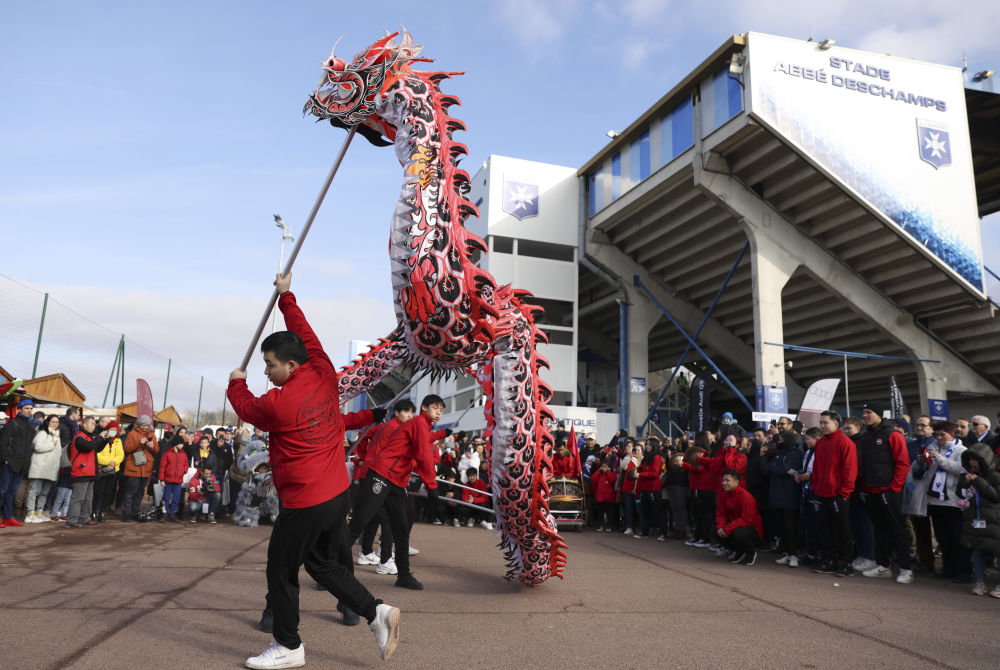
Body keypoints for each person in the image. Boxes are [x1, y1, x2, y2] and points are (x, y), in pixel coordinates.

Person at [228, 272, 399, 666]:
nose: (266, 372)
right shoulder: (323, 370)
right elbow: (303, 332)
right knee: (323, 565)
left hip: (305, 502)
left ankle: (288, 646)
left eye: (269, 365)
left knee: (281, 571)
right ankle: (377, 613)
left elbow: (246, 407)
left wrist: (236, 383)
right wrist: (287, 297)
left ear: (291, 365)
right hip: (335, 495)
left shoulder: (278, 404)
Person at [348, 394, 447, 591]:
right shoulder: (417, 423)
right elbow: (423, 454)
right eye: (435, 408)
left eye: (441, 410)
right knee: (359, 521)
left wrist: (443, 433)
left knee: (401, 527)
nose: (438, 413)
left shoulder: (421, 426)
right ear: (424, 408)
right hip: (381, 474)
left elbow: (425, 443)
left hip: (397, 481)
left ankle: (403, 575)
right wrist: (431, 486)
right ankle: (330, 569)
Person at [856, 402, 913, 584]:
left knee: (898, 530)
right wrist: (864, 487)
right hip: (871, 490)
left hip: (888, 491)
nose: (865, 415)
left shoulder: (893, 434)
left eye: (869, 412)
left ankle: (906, 569)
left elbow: (903, 464)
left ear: (879, 414)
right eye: (864, 412)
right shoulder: (866, 436)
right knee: (880, 530)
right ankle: (883, 566)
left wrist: (894, 488)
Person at [811, 411, 857, 576]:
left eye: (825, 422)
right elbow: (816, 468)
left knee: (843, 531)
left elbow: (850, 469)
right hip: (821, 493)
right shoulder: (820, 443)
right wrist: (815, 489)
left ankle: (846, 563)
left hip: (838, 495)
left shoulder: (845, 442)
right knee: (825, 530)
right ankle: (829, 561)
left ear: (836, 424)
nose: (822, 425)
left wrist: (844, 493)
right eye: (821, 422)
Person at [923, 421, 967, 580]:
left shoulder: (961, 450)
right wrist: (922, 461)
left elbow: (960, 470)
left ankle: (961, 571)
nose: (939, 438)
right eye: (937, 435)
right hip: (935, 500)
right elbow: (928, 472)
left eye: (943, 435)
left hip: (953, 502)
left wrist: (940, 458)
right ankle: (947, 569)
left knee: (956, 538)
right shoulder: (931, 448)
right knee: (942, 538)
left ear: (952, 435)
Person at [958, 443, 1000, 597]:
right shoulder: (966, 474)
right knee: (977, 549)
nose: (972, 463)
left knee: (998, 550)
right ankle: (980, 582)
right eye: (970, 459)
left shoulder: (995, 476)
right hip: (975, 519)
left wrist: (977, 481)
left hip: (993, 521)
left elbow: (996, 496)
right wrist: (964, 482)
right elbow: (960, 493)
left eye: (975, 459)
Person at [66, 416, 111, 528]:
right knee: (78, 498)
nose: (93, 426)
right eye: (92, 424)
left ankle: (85, 518)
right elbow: (88, 446)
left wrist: (105, 441)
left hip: (89, 471)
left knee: (88, 498)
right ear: (84, 425)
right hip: (81, 472)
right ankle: (72, 520)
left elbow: (96, 448)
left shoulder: (89, 437)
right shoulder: (79, 437)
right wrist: (100, 438)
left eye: (94, 424)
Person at [768, 430, 804, 567]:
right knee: (783, 527)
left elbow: (784, 470)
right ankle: (788, 553)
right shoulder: (780, 454)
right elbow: (770, 467)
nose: (779, 442)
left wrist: (776, 468)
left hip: (789, 495)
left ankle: (794, 555)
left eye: (781, 439)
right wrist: (776, 467)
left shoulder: (795, 454)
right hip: (778, 495)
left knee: (791, 527)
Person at [0, 398, 37, 526]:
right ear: (19, 409)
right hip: (9, 463)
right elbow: (2, 444)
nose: (29, 410)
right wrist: (5, 459)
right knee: (3, 491)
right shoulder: (12, 424)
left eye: (31, 408)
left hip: (21, 465)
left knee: (12, 492)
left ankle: (8, 517)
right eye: (26, 408)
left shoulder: (30, 426)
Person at [715, 470, 763, 565]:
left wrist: (727, 529)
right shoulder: (725, 495)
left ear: (736, 482)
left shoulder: (745, 496)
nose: (724, 483)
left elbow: (747, 519)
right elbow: (721, 514)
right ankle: (738, 551)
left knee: (738, 532)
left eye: (727, 480)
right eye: (723, 480)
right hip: (736, 525)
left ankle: (750, 552)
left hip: (752, 529)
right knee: (715, 530)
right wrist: (720, 527)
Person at [121, 415, 159, 521]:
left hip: (146, 468)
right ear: (138, 424)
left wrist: (152, 447)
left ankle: (135, 512)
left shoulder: (152, 435)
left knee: (140, 492)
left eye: (146, 425)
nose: (144, 427)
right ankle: (126, 514)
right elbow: (127, 449)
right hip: (133, 467)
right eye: (142, 425)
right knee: (130, 491)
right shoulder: (132, 434)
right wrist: (139, 443)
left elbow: (157, 451)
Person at [25, 414, 62, 523]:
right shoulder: (42, 433)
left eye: (57, 422)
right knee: (35, 490)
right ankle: (30, 514)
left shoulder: (56, 435)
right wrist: (52, 444)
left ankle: (39, 513)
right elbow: (37, 447)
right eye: (53, 421)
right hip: (40, 466)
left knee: (45, 492)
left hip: (50, 468)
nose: (55, 424)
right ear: (47, 422)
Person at [92, 420, 124, 522]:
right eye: (111, 429)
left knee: (108, 492)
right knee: (97, 492)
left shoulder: (118, 441)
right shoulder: (101, 439)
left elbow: (121, 455)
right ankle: (93, 511)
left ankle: (102, 512)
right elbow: (97, 454)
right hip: (101, 469)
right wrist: (108, 462)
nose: (113, 431)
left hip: (113, 470)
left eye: (115, 429)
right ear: (107, 429)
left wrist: (113, 463)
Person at [158, 436, 187, 522]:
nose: (182, 445)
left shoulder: (183, 454)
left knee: (176, 498)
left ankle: (173, 514)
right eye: (181, 444)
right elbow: (162, 468)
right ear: (176, 444)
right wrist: (162, 480)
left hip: (178, 480)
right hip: (168, 480)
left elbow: (186, 464)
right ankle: (164, 513)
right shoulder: (167, 454)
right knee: (166, 498)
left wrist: (183, 471)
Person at [591, 459, 617, 532]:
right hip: (600, 497)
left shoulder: (611, 473)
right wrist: (599, 471)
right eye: (603, 466)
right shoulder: (599, 474)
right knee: (600, 513)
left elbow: (612, 480)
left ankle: (609, 526)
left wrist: (608, 472)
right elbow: (593, 478)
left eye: (606, 467)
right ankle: (601, 525)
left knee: (610, 514)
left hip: (609, 498)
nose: (604, 468)